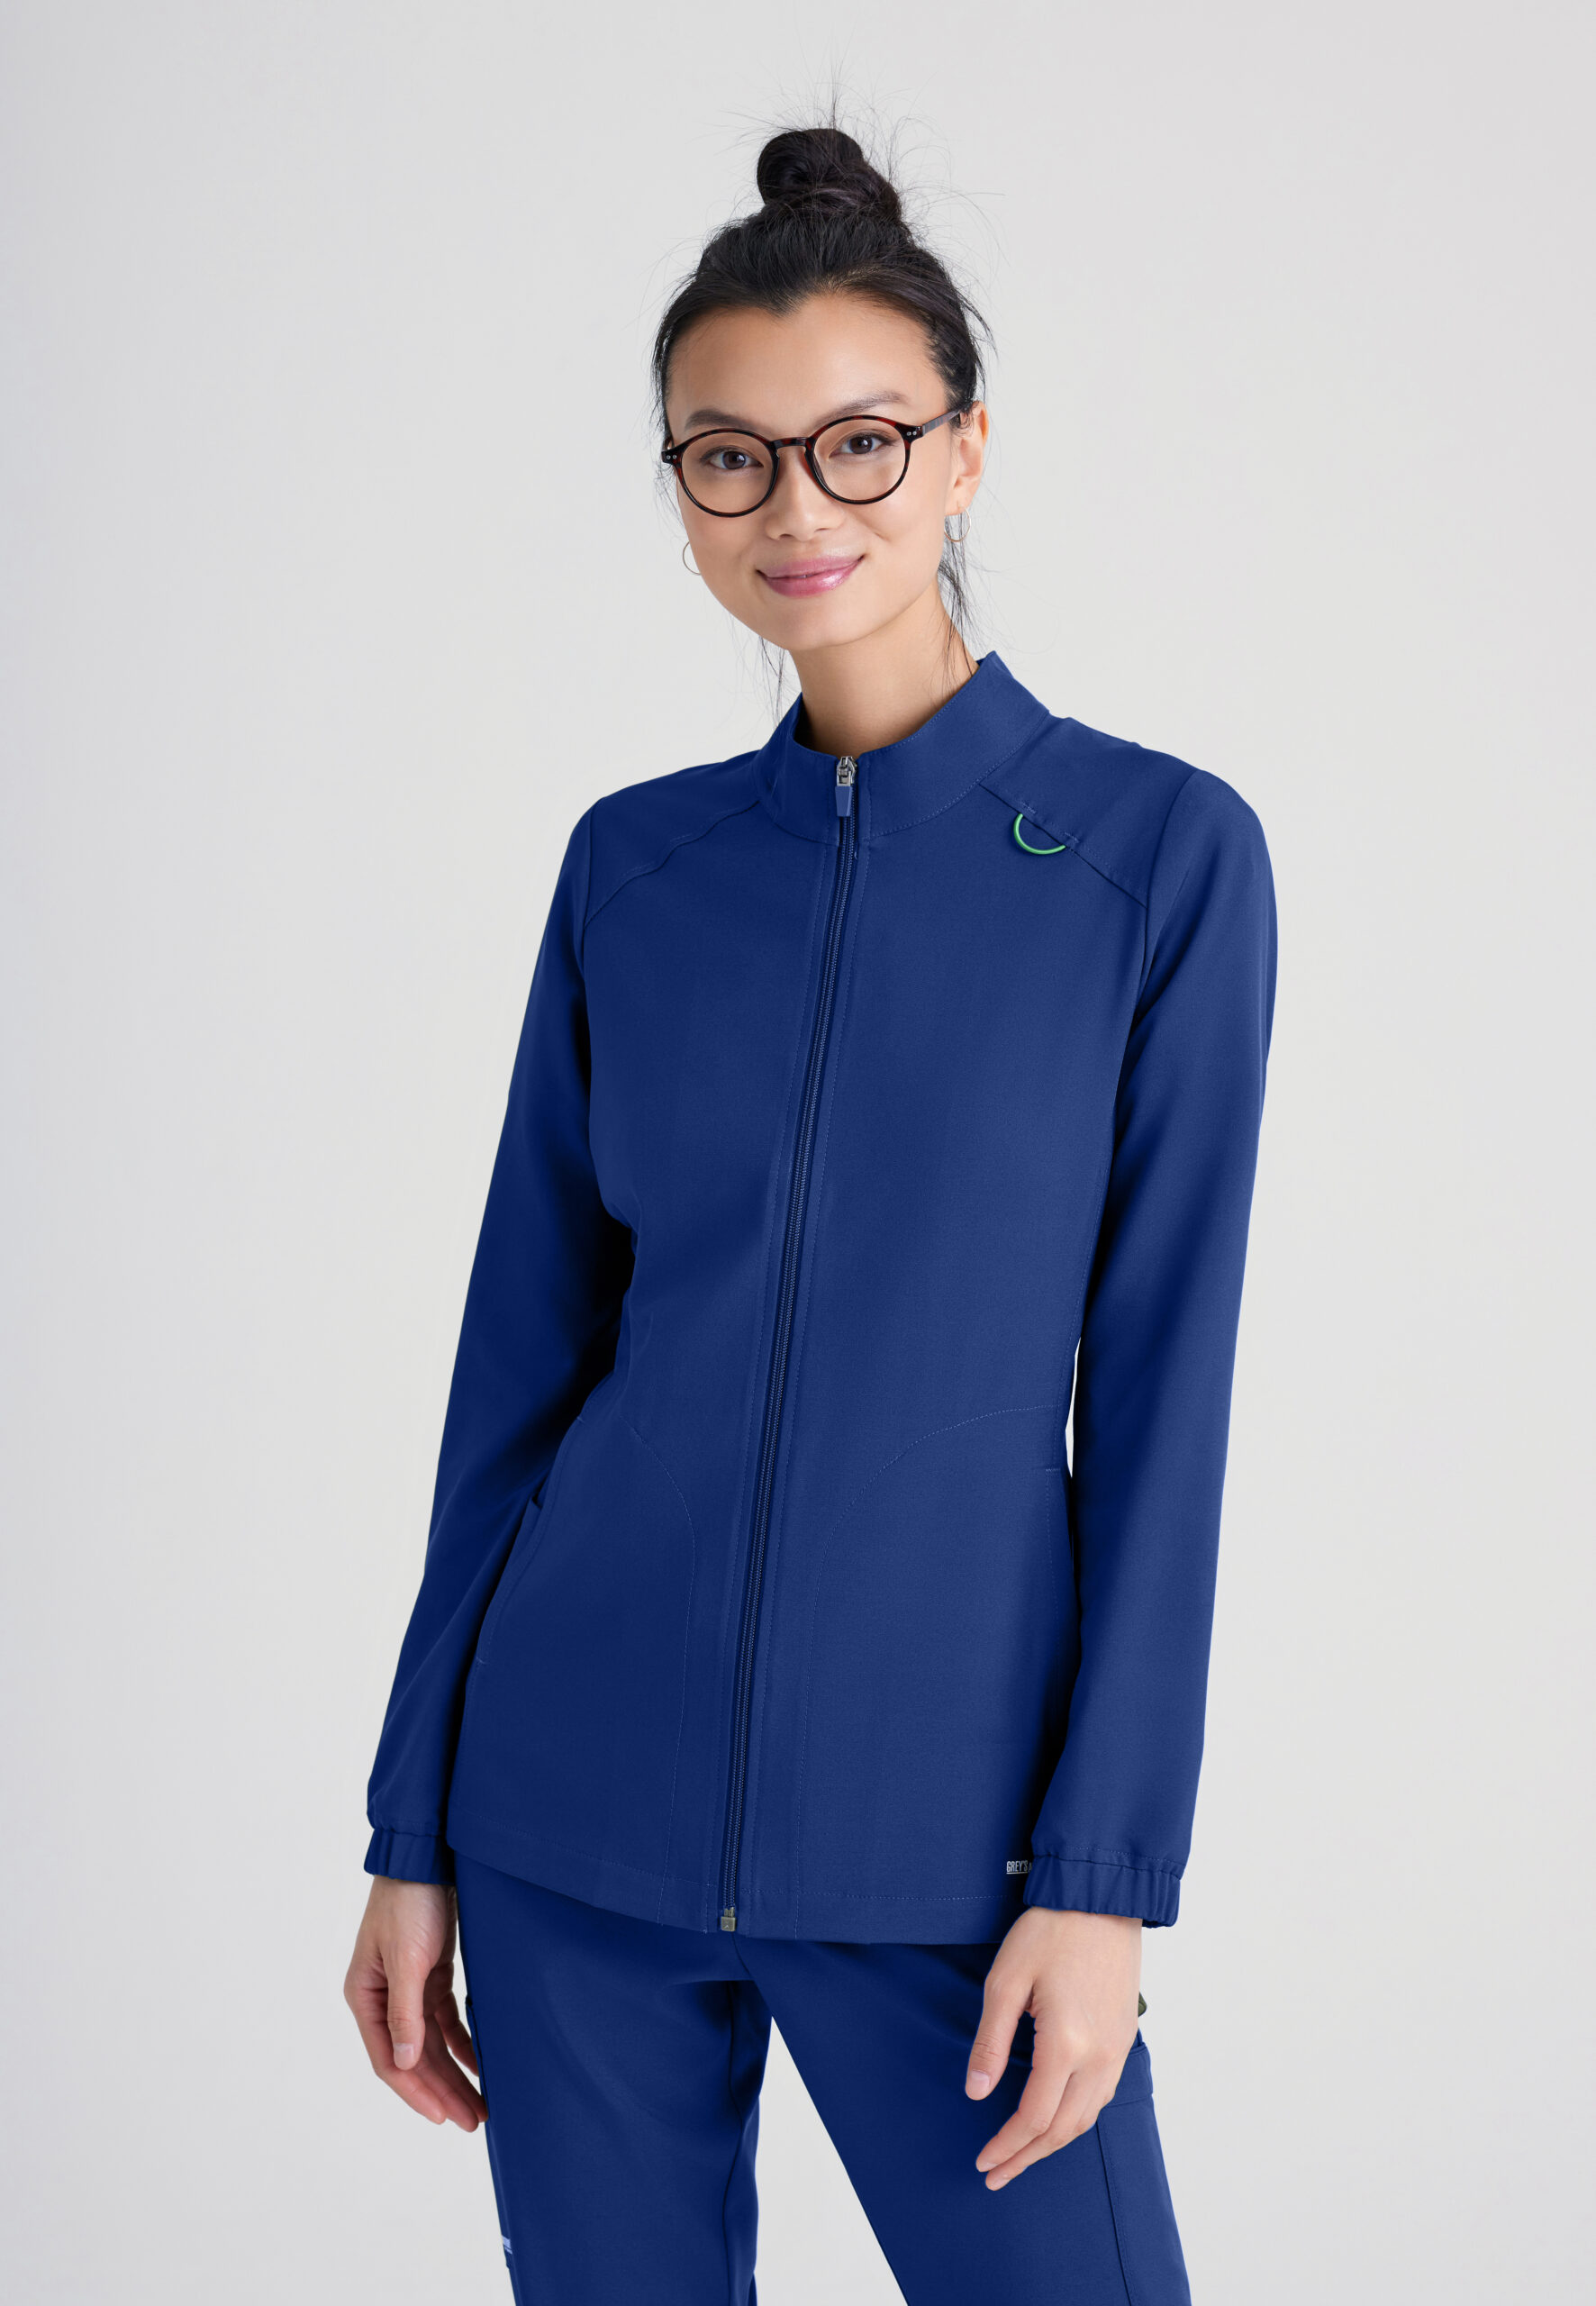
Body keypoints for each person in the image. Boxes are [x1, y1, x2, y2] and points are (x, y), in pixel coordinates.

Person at [343, 122, 1277, 2306]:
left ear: (965, 452)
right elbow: (518, 1369)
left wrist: (1103, 1876)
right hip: (567, 1815)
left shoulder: (1157, 860)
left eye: (860, 442)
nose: (798, 508)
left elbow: (1162, 1401)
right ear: (678, 484)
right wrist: (412, 1823)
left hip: (954, 1847)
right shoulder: (635, 867)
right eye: (728, 458)